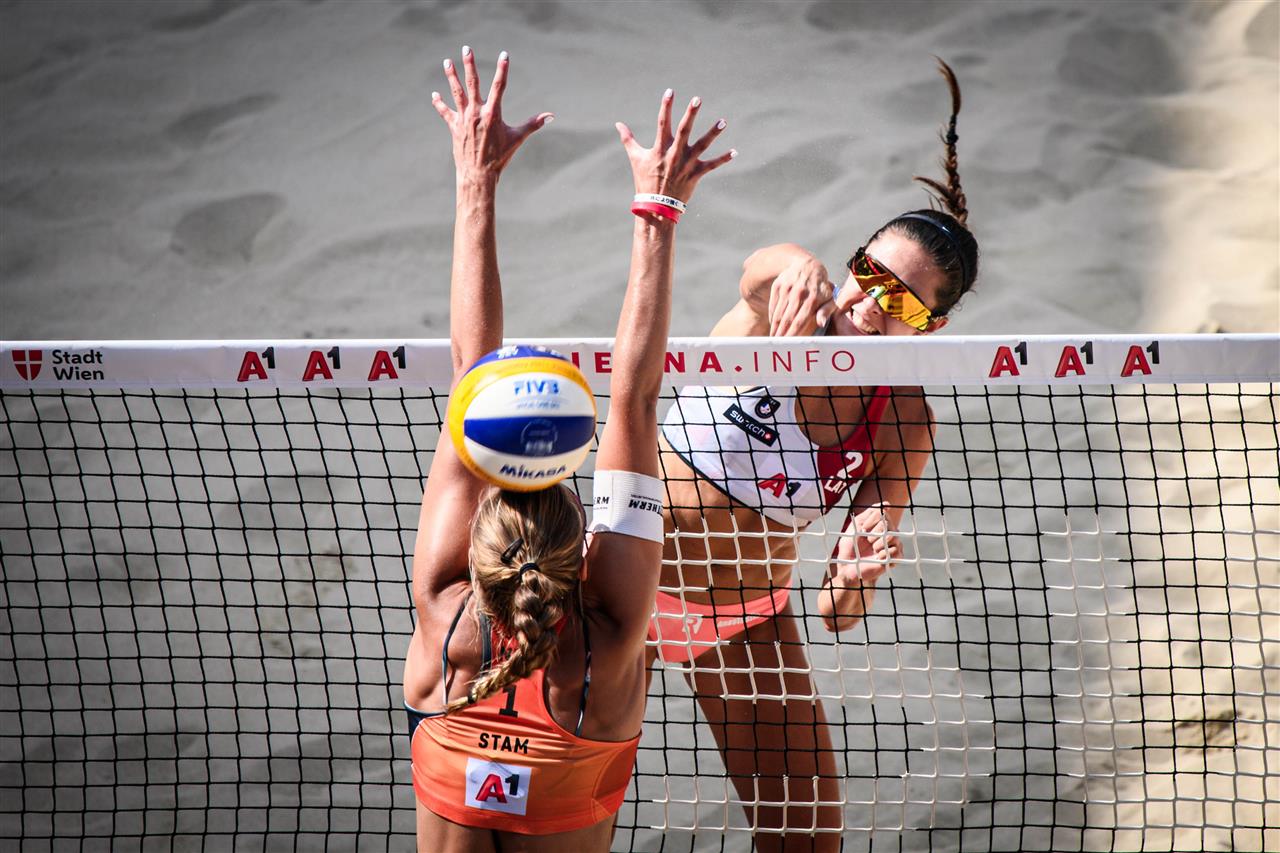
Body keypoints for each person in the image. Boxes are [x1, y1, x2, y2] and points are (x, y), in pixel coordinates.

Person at [401, 47, 734, 852]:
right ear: (581, 540)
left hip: (454, 751)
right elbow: (635, 399)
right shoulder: (607, 643)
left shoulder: (444, 607)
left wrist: (475, 182)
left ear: (480, 546)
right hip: (567, 772)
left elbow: (476, 372)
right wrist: (656, 211)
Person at [651, 59, 979, 851]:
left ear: (929, 327)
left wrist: (857, 572)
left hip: (740, 619)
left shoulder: (903, 419)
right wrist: (797, 264)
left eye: (901, 302)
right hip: (619, 577)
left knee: (807, 837)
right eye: (868, 273)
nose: (868, 305)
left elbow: (836, 612)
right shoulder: (789, 303)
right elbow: (758, 269)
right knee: (551, 809)